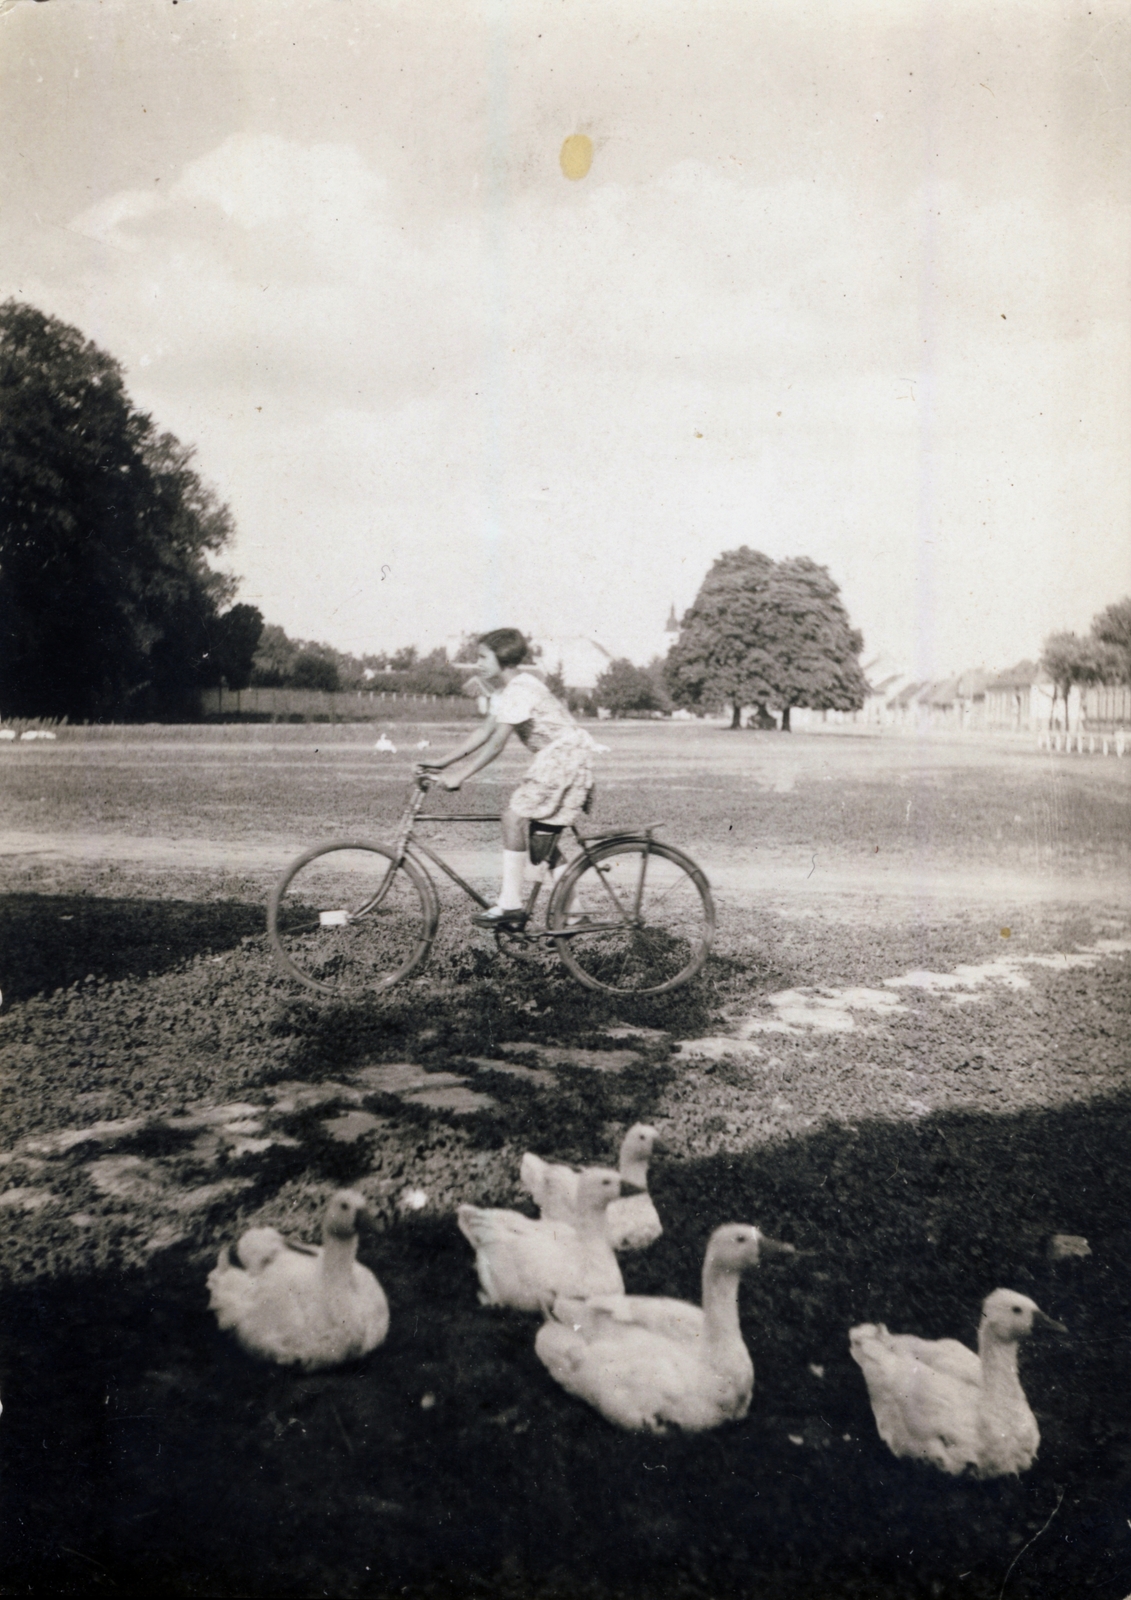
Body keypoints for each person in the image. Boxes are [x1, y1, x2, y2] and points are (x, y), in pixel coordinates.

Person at [421, 628, 599, 928]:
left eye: (482, 657)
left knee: (512, 818)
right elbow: (484, 731)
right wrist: (441, 762)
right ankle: (576, 913)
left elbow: (496, 743)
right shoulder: (508, 690)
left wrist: (460, 775)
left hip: (563, 758)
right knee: (540, 842)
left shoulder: (520, 689)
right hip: (561, 757)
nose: (477, 663)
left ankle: (510, 905)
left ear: (502, 657)